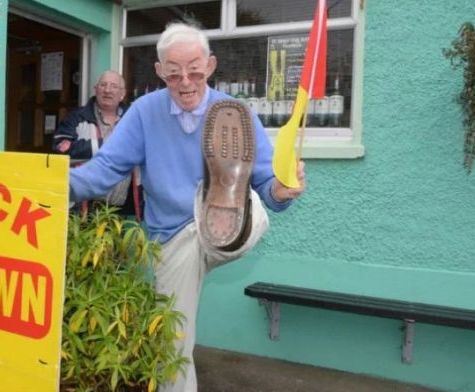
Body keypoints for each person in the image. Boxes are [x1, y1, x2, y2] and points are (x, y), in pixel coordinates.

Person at [69, 23, 306, 391]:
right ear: (160, 71)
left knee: (253, 202)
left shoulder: (236, 113)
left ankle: (222, 202)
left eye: (194, 70)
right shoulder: (145, 112)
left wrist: (281, 189)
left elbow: (267, 184)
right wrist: (55, 182)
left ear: (210, 66)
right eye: (174, 72)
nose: (185, 81)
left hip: (229, 227)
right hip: (173, 237)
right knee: (171, 340)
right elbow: (105, 169)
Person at [52, 70, 142, 219]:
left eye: (113, 86)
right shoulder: (76, 117)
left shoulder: (134, 120)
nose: (107, 90)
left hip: (122, 210)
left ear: (122, 93)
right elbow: (60, 149)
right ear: (96, 89)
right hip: (84, 208)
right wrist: (104, 145)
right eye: (103, 85)